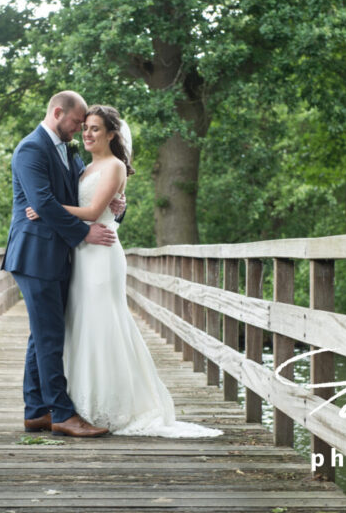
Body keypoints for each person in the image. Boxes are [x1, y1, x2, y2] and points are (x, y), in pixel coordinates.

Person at [25, 105, 221, 438]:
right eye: (84, 127)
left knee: (104, 321)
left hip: (101, 254)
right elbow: (95, 207)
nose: (86, 134)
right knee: (79, 324)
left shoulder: (115, 166)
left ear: (112, 134)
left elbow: (92, 211)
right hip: (80, 254)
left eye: (95, 129)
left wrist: (46, 210)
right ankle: (74, 404)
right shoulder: (82, 167)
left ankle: (112, 405)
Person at [1, 91, 125, 438]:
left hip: (59, 255)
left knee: (41, 335)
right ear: (58, 113)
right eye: (76, 123)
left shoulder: (69, 154)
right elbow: (43, 201)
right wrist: (84, 234)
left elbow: (87, 199)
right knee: (51, 336)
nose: (80, 131)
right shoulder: (31, 149)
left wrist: (117, 206)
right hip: (35, 254)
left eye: (88, 126)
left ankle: (36, 411)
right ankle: (62, 414)